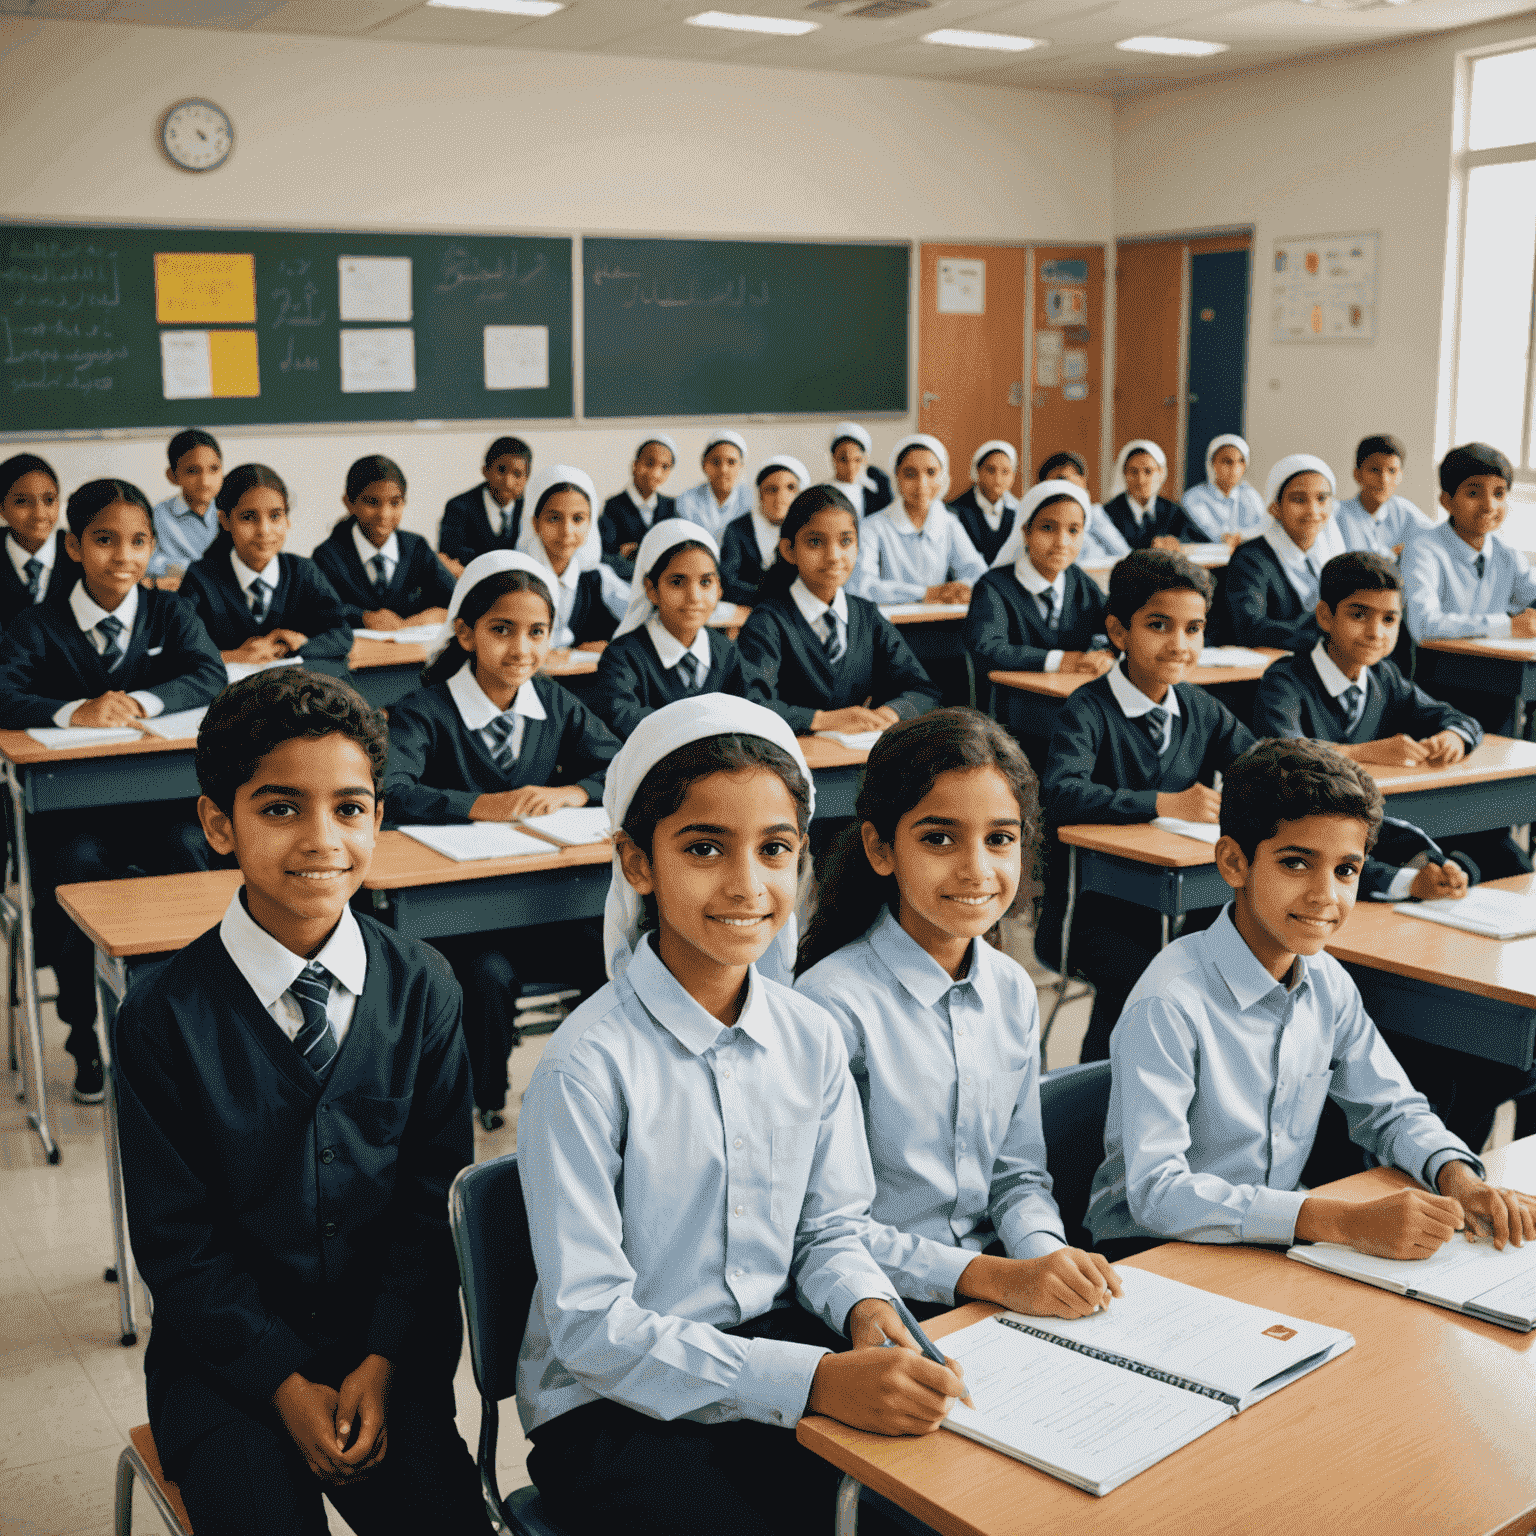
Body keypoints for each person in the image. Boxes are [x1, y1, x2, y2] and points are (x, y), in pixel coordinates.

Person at [516, 696, 969, 1536]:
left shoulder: (809, 1037)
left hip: (775, 1347)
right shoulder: (586, 1066)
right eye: (704, 848)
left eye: (774, 851)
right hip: (612, 1406)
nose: (746, 885)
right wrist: (812, 1381)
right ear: (637, 862)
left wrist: (867, 1308)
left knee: (933, 1498)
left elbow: (828, 1232)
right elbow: (591, 1326)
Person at [112, 668, 491, 1536]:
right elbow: (177, 1243)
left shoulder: (423, 987)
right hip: (226, 1370)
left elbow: (434, 1204)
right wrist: (280, 1382)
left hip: (384, 1356)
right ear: (220, 823)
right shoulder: (163, 1015)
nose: (322, 838)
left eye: (350, 808)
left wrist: (384, 1361)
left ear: (378, 819)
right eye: (281, 808)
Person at [1085, 737, 1536, 1261]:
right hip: (1150, 1251)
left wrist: (1459, 1178)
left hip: (1262, 1236)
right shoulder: (1169, 1003)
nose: (1326, 895)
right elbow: (1156, 1194)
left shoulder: (1327, 982)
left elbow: (1390, 1109)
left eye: (1346, 870)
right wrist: (1340, 1220)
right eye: (1297, 863)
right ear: (1233, 863)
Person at [796, 709, 1121, 1322]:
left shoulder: (1011, 989)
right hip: (873, 1306)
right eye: (939, 838)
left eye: (1000, 839)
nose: (976, 869)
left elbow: (1017, 1177)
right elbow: (818, 1231)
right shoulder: (829, 1007)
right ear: (880, 847)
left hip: (993, 1290)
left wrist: (1047, 1258)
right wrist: (999, 1278)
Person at [1254, 550, 1536, 1156]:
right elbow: (1284, 752)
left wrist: (1449, 736)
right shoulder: (1288, 676)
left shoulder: (1383, 678)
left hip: (1380, 859)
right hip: (1324, 869)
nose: (1376, 632)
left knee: (1492, 863)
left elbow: (1456, 716)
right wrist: (1363, 754)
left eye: (1389, 619)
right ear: (1325, 615)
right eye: (1360, 615)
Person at [0, 478, 224, 1100]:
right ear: (73, 547)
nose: (123, 556)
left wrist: (142, 702)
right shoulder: (35, 624)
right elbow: (5, 692)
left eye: (138, 541)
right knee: (79, 868)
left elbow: (208, 672)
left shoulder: (169, 611)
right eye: (104, 540)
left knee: (189, 851)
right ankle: (85, 1038)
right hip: (71, 818)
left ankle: (182, 1030)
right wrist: (76, 711)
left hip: (158, 807)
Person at [384, 551, 619, 1127]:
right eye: (501, 630)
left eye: (536, 632)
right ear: (465, 632)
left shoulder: (555, 703)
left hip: (540, 904)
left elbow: (618, 763)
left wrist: (572, 794)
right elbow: (390, 791)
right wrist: (479, 806)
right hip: (461, 916)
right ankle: (486, 1098)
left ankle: (598, 1091)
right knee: (489, 978)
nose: (521, 649)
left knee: (610, 951)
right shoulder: (425, 711)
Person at [1036, 550, 1255, 1064]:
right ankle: (1097, 1105)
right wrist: (1164, 803)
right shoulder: (1087, 709)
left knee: (1231, 972)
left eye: (1194, 628)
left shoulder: (1200, 707)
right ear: (1118, 631)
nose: (1179, 644)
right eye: (1159, 625)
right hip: (1090, 915)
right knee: (1153, 981)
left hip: (1180, 907)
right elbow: (1061, 793)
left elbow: (1257, 765)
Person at [736, 485, 938, 737]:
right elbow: (750, 706)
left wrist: (889, 714)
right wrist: (823, 720)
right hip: (789, 763)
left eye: (846, 541)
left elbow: (922, 690)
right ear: (789, 550)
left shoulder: (867, 616)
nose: (833, 556)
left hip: (856, 759)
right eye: (815, 542)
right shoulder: (767, 622)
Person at [962, 480, 1112, 768]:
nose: (1061, 542)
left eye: (1073, 531)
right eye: (1047, 528)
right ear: (1025, 531)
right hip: (1015, 716)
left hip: (1076, 708)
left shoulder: (1078, 581)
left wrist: (1108, 654)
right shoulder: (994, 586)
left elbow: (1115, 626)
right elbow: (987, 649)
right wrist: (1061, 660)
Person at [1402, 441, 1536, 735]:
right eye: (1474, 493)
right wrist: (1507, 626)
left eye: (1499, 494)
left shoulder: (1506, 553)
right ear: (1446, 500)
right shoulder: (1423, 549)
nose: (1489, 505)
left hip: (1499, 681)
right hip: (1438, 683)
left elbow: (1532, 595)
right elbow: (1424, 625)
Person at [178, 464, 352, 670]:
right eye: (248, 517)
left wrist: (293, 646)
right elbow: (181, 649)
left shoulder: (303, 571)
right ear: (225, 520)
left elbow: (342, 633)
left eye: (275, 516)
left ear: (287, 520)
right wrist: (235, 655)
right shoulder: (200, 579)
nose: (264, 530)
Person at [590, 520, 745, 740]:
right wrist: (708, 723)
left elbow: (746, 715)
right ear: (651, 589)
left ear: (719, 589)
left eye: (705, 582)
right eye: (677, 582)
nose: (694, 597)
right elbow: (623, 721)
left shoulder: (725, 651)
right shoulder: (622, 657)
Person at [311, 455, 454, 630]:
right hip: (359, 654)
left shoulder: (417, 547)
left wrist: (426, 618)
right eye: (372, 502)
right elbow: (319, 609)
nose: (384, 514)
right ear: (349, 503)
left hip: (413, 648)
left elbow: (456, 598)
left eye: (395, 503)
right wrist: (363, 618)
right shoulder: (328, 556)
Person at [1218, 453, 1338, 651]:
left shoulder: (1333, 556)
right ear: (1275, 508)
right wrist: (1328, 630)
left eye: (1322, 498)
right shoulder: (1250, 559)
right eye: (1299, 500)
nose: (1313, 511)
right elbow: (1251, 628)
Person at [850, 434, 985, 606]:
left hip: (941, 623)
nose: (922, 484)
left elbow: (978, 573)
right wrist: (924, 593)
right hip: (890, 626)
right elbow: (860, 585)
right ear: (896, 477)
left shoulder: (949, 523)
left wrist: (962, 589)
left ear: (942, 476)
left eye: (931, 472)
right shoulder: (872, 527)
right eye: (910, 474)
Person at [517, 464, 629, 651]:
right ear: (535, 523)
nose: (566, 531)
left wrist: (613, 647)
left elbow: (645, 613)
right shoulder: (516, 579)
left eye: (578, 519)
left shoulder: (598, 577)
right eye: (554, 518)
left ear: (590, 523)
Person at [717, 454, 806, 607]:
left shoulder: (806, 530)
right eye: (772, 489)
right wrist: (771, 597)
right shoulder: (737, 529)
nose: (781, 496)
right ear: (760, 494)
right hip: (750, 610)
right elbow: (727, 583)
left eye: (790, 488)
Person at [437, 434, 532, 578]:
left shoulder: (532, 508)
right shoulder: (459, 507)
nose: (508, 481)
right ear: (485, 471)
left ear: (526, 478)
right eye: (501, 470)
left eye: (517, 474)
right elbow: (451, 555)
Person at [0, 453, 70, 628]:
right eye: (22, 502)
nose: (39, 514)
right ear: (1, 509)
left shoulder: (78, 552)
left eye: (49, 500)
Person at [147, 428, 223, 587]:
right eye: (193, 471)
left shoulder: (231, 511)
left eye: (214, 469)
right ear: (172, 476)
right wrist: (194, 570)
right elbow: (147, 562)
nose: (205, 481)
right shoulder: (158, 516)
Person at [1333, 433, 1431, 558]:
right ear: (1357, 474)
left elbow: (1439, 538)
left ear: (1400, 476)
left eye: (1392, 471)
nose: (1384, 479)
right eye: (1374, 470)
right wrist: (1390, 555)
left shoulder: (1404, 511)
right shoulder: (1336, 514)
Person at [599, 434, 678, 580]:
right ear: (634, 465)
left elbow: (676, 552)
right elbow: (607, 557)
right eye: (649, 463)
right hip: (625, 584)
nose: (655, 473)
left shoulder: (670, 507)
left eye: (664, 467)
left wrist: (634, 552)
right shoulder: (613, 506)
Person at [1098, 441, 1203, 552]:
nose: (1141, 480)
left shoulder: (1171, 510)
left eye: (1148, 471)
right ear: (1124, 474)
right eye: (1133, 472)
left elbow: (1197, 538)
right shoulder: (1109, 512)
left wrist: (1177, 541)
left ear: (1161, 473)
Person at [1037, 450, 1128, 563]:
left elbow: (1124, 554)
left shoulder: (1095, 513)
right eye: (1052, 485)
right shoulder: (1041, 521)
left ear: (1083, 482)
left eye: (1063, 480)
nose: (1060, 488)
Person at [1180, 434, 1266, 549]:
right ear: (1212, 463)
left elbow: (1265, 527)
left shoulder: (1250, 494)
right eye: (1227, 461)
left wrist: (1239, 538)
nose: (1235, 468)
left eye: (1241, 461)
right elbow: (1209, 533)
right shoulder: (1194, 497)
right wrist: (1238, 538)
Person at [947, 440, 1020, 566]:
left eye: (1005, 472)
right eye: (991, 470)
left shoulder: (1019, 511)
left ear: (1013, 476)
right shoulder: (954, 511)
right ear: (978, 471)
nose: (998, 478)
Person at [675, 428, 753, 540]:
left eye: (731, 462)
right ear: (704, 465)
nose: (723, 470)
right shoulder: (687, 501)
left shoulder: (752, 501)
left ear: (741, 466)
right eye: (716, 462)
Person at [825, 420, 893, 518]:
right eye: (843, 459)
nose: (850, 467)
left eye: (857, 460)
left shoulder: (875, 491)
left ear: (865, 460)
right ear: (833, 458)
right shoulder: (825, 492)